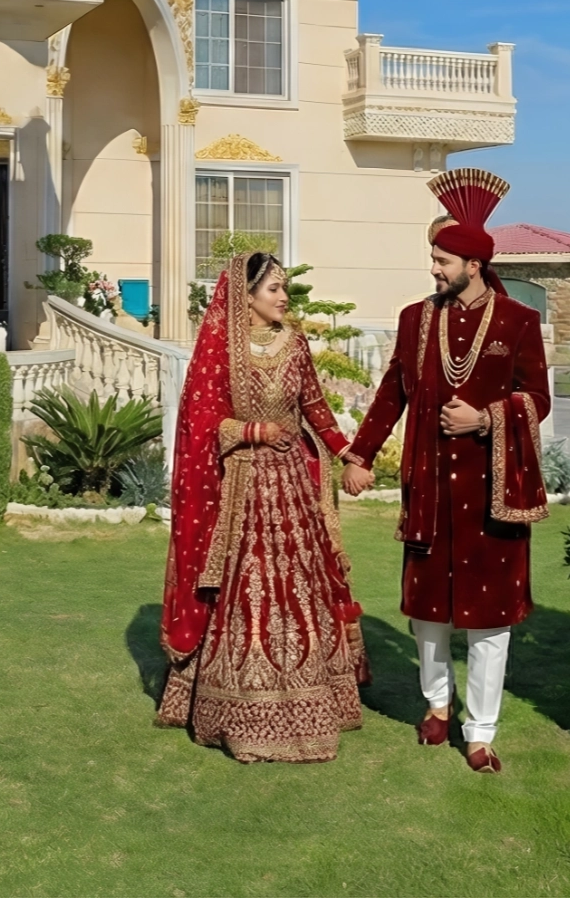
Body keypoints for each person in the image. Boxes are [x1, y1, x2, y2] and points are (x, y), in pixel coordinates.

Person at [342, 168, 550, 773]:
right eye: (432, 258)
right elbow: (390, 394)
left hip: (493, 494)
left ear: (473, 263)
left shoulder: (516, 323)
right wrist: (359, 454)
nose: (433, 269)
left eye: (442, 259)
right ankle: (436, 707)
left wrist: (487, 419)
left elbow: (538, 400)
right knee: (427, 614)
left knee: (489, 623)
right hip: (430, 487)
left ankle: (480, 732)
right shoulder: (414, 319)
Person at [158, 251, 370, 763]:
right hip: (243, 491)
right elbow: (202, 425)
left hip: (294, 487)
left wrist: (348, 455)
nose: (283, 298)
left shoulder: (295, 344)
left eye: (284, 289)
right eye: (273, 289)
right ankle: (240, 712)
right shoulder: (221, 352)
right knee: (248, 588)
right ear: (245, 296)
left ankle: (315, 701)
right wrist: (253, 431)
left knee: (301, 582)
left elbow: (316, 407)